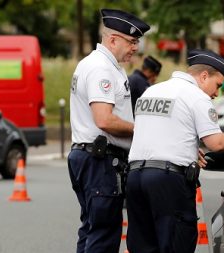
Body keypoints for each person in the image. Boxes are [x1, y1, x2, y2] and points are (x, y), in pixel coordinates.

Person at [126, 49, 224, 253]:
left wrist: (188, 149)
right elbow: (216, 143)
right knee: (177, 244)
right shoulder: (196, 96)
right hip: (168, 182)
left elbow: (148, 131)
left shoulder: (152, 91)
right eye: (218, 85)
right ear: (204, 76)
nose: (216, 93)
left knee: (143, 246)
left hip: (135, 178)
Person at [67, 8, 149, 253]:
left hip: (90, 157)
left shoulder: (100, 65)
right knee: (104, 233)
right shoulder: (101, 68)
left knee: (92, 228)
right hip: (100, 160)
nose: (135, 47)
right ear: (113, 39)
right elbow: (104, 120)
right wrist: (141, 130)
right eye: (132, 41)